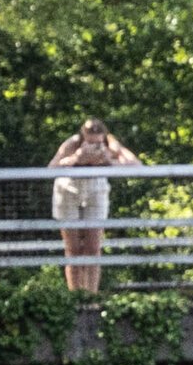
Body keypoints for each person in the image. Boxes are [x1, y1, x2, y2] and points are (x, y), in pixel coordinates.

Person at [49, 117, 147, 292]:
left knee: (93, 248)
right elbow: (52, 168)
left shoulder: (111, 144)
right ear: (83, 137)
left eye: (97, 143)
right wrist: (76, 159)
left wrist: (109, 161)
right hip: (68, 189)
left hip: (96, 189)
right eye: (90, 142)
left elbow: (136, 165)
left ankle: (92, 295)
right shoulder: (72, 143)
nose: (94, 146)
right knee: (73, 249)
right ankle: (75, 294)